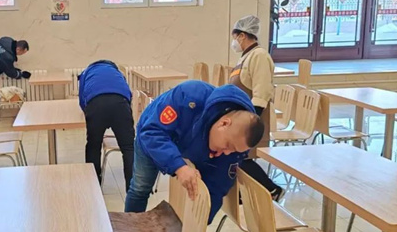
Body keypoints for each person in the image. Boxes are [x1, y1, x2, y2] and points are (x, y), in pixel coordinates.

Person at [124, 80, 264, 222]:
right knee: (140, 188)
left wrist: (200, 223)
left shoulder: (238, 142)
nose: (227, 152)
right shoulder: (189, 96)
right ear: (224, 123)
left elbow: (217, 186)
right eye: (228, 145)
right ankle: (128, 229)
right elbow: (152, 133)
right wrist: (179, 166)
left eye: (234, 151)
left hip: (189, 145)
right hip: (151, 135)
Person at [229, 15, 282, 199]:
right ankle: (244, 195)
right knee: (239, 157)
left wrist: (252, 120)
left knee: (242, 157)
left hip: (253, 117)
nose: (234, 42)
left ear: (243, 35)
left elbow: (262, 92)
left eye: (235, 37)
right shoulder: (245, 57)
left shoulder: (260, 56)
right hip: (242, 116)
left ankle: (272, 189)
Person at [78, 60, 134, 190]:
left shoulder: (86, 73)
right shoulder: (117, 73)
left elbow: (81, 99)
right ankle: (133, 190)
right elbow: (128, 94)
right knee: (128, 148)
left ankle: (94, 187)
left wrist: (89, 113)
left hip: (96, 104)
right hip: (121, 104)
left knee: (93, 145)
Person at [0, 37, 30, 124]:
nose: (21, 55)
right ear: (18, 49)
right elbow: (10, 72)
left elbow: (3, 63)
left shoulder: (6, 40)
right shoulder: (8, 57)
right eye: (22, 53)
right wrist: (21, 74)